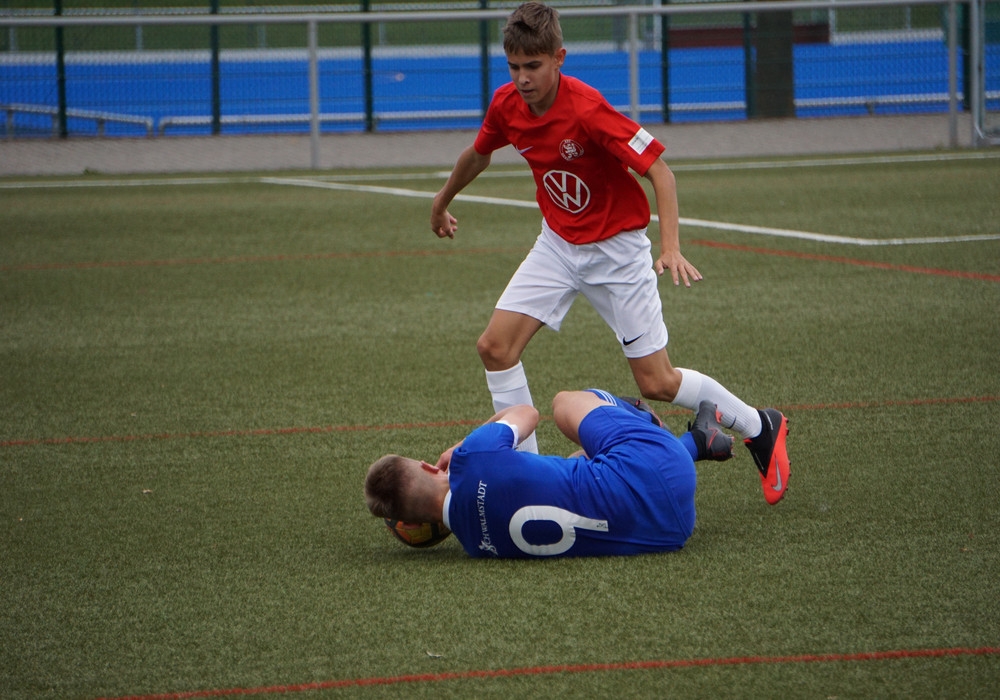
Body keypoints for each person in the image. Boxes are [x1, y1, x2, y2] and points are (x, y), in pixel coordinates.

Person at [429, 1, 789, 503]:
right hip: (557, 245)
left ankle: (759, 424)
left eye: (533, 66)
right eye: (514, 67)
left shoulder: (586, 107)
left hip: (616, 252)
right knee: (495, 347)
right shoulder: (506, 104)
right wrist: (442, 199)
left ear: (559, 58)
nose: (523, 79)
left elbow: (659, 169)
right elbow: (480, 152)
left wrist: (669, 247)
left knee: (658, 383)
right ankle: (526, 475)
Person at [365, 391, 737, 559]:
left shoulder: (476, 548)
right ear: (429, 467)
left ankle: (699, 442)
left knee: (576, 463)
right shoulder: (470, 458)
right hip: (659, 464)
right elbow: (528, 412)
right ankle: (644, 421)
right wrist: (461, 445)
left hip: (670, 531)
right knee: (564, 403)